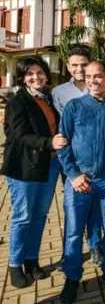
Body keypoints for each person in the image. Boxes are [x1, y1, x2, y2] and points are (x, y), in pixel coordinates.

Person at [58, 61, 105, 303]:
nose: (93, 81)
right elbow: (63, 144)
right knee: (73, 232)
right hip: (80, 181)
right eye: (89, 76)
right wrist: (72, 174)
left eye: (98, 76)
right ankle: (72, 279)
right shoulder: (74, 107)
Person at [0, 56, 67, 288]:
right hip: (24, 167)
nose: (36, 77)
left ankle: (32, 259)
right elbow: (19, 135)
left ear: (47, 74)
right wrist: (50, 143)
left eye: (39, 72)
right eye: (30, 74)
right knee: (23, 217)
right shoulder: (17, 101)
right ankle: (15, 264)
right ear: (22, 77)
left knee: (39, 215)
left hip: (49, 165)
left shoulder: (48, 98)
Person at [52, 47, 104, 269]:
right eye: (74, 65)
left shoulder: (104, 87)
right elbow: (59, 126)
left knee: (95, 204)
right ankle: (70, 252)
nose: (79, 69)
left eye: (83, 64)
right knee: (73, 206)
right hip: (72, 160)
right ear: (68, 66)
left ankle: (95, 245)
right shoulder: (59, 92)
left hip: (99, 160)